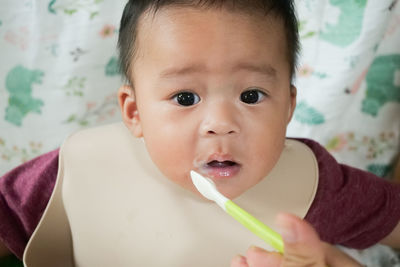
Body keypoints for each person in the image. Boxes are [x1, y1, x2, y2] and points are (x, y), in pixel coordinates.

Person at [0, 0, 399, 265]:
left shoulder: (316, 186)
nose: (220, 123)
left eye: (251, 94)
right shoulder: (79, 168)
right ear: (135, 111)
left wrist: (333, 260)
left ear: (289, 106)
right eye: (186, 97)